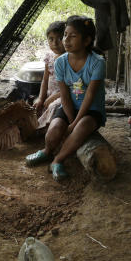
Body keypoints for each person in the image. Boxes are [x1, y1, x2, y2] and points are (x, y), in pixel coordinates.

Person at [23, 15, 106, 181]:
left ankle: (57, 160)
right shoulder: (60, 62)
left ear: (87, 40)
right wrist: (69, 119)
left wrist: (74, 123)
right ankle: (47, 151)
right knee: (54, 130)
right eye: (65, 35)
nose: (66, 40)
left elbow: (89, 96)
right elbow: (65, 95)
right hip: (69, 107)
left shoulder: (97, 62)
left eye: (72, 36)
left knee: (81, 126)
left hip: (91, 110)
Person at [34, 20, 66, 119]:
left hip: (64, 96)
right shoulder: (49, 57)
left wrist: (52, 98)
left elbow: (72, 87)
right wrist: (40, 98)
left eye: (60, 39)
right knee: (36, 105)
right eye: (51, 39)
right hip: (50, 94)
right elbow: (45, 79)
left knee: (53, 107)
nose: (55, 43)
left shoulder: (70, 59)